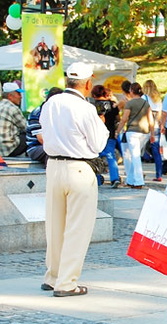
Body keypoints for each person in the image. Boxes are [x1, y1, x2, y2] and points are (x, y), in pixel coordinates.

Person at [39, 62, 109, 297]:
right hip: (79, 168)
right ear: (88, 83)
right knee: (77, 227)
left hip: (54, 165)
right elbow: (98, 144)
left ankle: (53, 275)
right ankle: (66, 282)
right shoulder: (85, 108)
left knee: (55, 224)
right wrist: (102, 124)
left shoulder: (51, 103)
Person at [116, 82, 154, 189]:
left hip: (132, 131)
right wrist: (152, 134)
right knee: (135, 155)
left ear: (131, 91)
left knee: (135, 156)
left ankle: (138, 181)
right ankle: (131, 179)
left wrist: (117, 131)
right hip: (144, 132)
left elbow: (124, 119)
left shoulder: (130, 103)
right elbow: (151, 119)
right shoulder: (146, 103)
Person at [91, 85, 121, 188]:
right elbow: (117, 118)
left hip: (96, 134)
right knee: (110, 156)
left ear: (94, 94)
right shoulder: (112, 105)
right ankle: (115, 178)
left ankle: (98, 179)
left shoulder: (92, 105)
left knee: (96, 157)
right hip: (110, 133)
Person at [25, 87, 63, 167]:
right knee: (53, 150)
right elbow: (41, 139)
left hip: (54, 144)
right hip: (36, 147)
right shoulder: (37, 113)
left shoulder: (58, 112)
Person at [142, 79, 164, 182]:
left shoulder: (144, 98)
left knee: (140, 149)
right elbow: (160, 113)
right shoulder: (158, 99)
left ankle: (139, 172)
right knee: (156, 151)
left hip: (145, 126)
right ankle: (159, 174)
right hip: (156, 126)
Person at [0, 82, 27, 157]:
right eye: (18, 94)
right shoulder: (13, 108)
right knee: (30, 136)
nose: (21, 97)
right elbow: (26, 127)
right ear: (10, 96)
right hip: (8, 148)